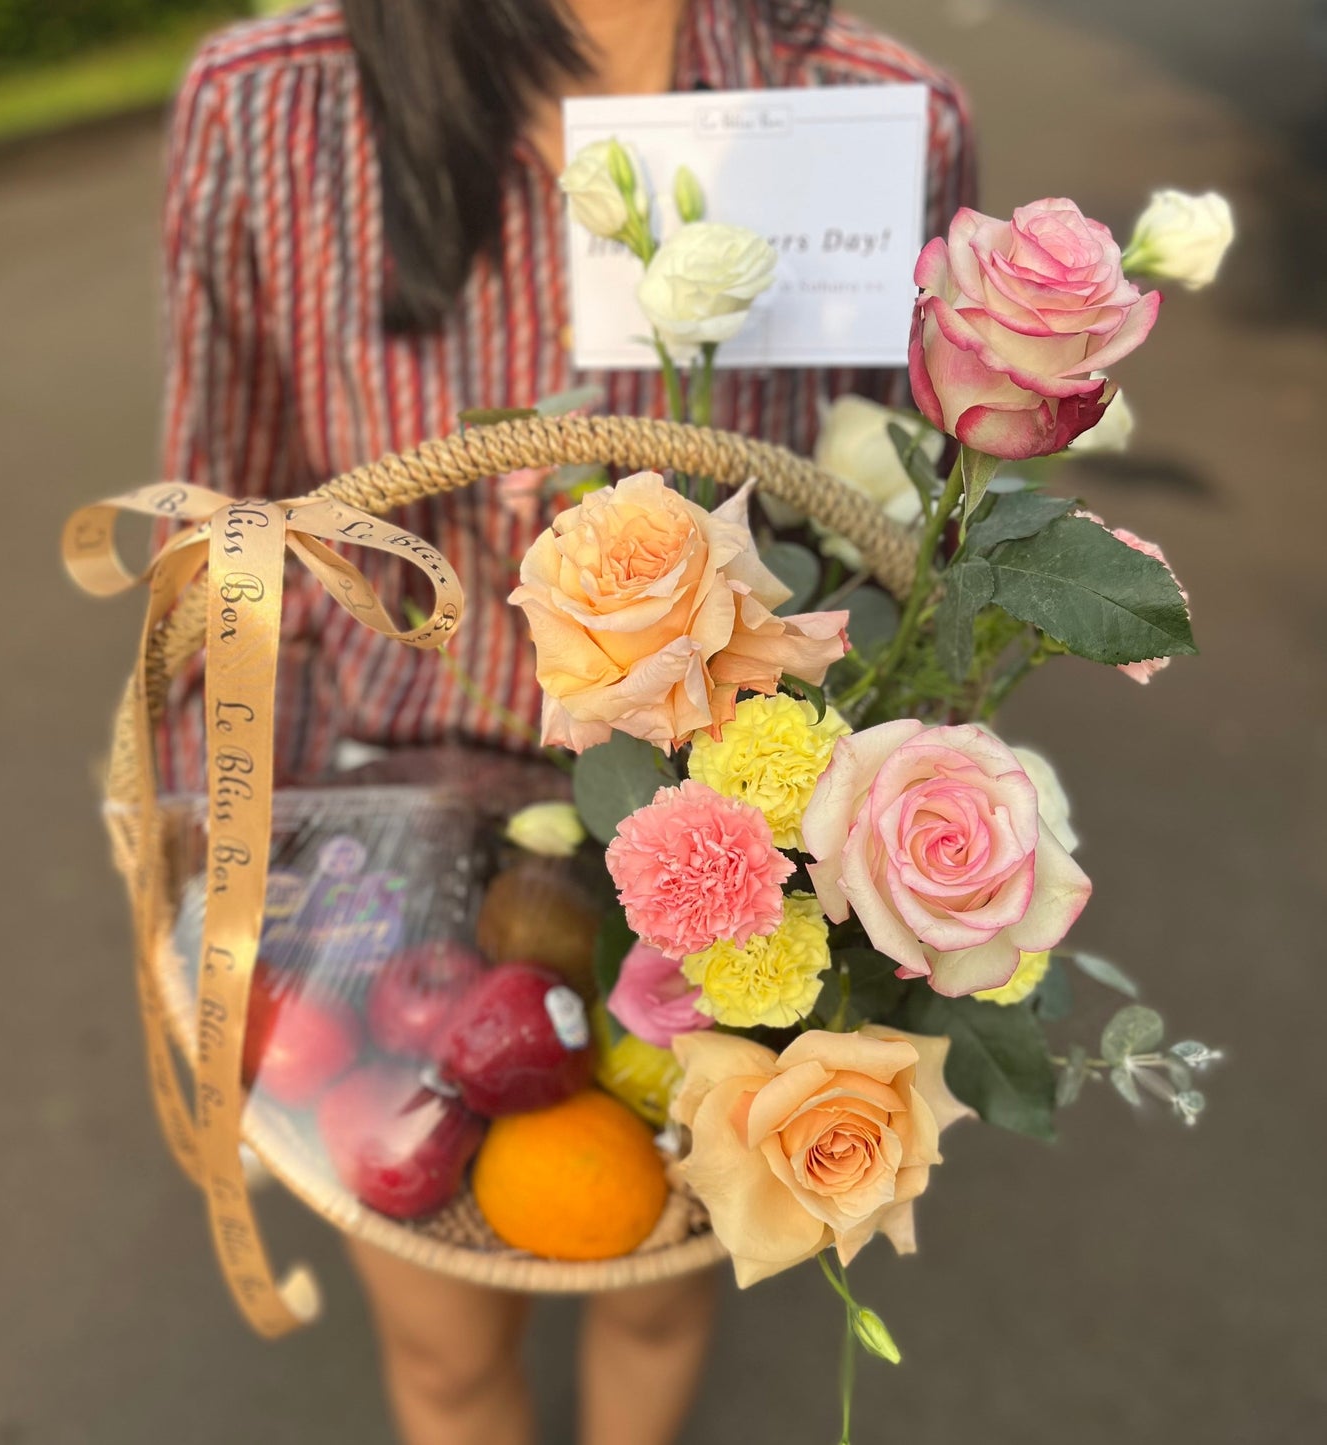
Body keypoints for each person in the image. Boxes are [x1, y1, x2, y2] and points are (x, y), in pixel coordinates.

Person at [157, 3, 974, 1442]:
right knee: (447, 1352)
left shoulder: (872, 107)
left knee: (654, 1296)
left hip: (721, 865)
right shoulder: (271, 102)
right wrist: (202, 901)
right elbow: (224, 546)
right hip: (381, 857)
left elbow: (897, 534)